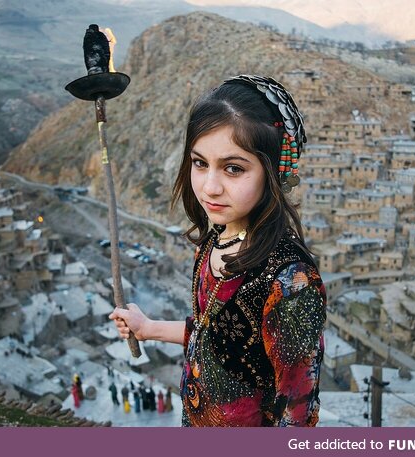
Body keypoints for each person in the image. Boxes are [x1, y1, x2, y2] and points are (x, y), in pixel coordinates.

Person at [111, 75, 327, 427]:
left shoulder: (290, 283)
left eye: (233, 168)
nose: (210, 187)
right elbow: (213, 335)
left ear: (273, 170)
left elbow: (297, 413)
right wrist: (147, 327)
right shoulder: (216, 240)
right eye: (200, 163)